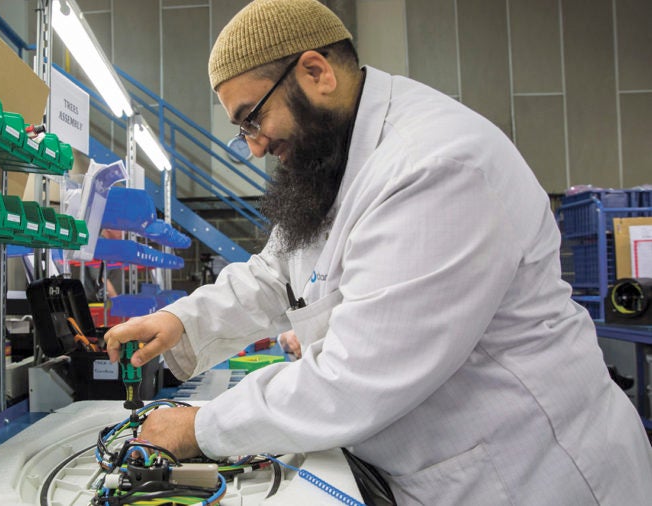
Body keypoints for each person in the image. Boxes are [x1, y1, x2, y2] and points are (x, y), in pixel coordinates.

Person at [104, 1, 652, 504]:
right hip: (436, 466)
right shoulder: (334, 160)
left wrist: (201, 427)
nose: (255, 145)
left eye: (253, 118)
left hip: (528, 473)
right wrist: (181, 321)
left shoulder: (435, 165)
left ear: (316, 72)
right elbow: (277, 272)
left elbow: (357, 375)